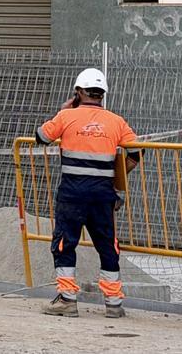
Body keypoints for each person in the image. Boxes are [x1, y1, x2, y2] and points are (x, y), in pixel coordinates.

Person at [35, 68, 139, 319]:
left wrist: (63, 111)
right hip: (103, 195)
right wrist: (116, 181)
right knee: (107, 246)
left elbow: (41, 137)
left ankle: (67, 300)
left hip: (73, 193)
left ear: (78, 92)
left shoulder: (66, 116)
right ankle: (113, 303)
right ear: (102, 94)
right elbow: (136, 152)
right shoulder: (116, 121)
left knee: (64, 244)